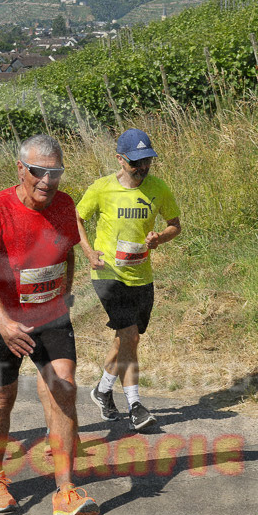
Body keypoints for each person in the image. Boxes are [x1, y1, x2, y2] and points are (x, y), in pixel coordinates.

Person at [0, 134, 99, 515]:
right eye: (39, 172)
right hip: (2, 320)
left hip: (51, 314)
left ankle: (65, 489)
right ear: (21, 170)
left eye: (55, 173)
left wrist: (68, 293)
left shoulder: (65, 205)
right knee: (1, 400)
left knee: (64, 385)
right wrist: (5, 322)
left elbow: (68, 252)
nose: (47, 181)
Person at [76, 128, 181, 431]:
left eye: (148, 161)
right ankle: (135, 405)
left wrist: (161, 237)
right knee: (130, 336)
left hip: (141, 274)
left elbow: (175, 224)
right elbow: (77, 217)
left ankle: (102, 390)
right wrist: (88, 251)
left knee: (126, 337)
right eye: (137, 162)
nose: (143, 168)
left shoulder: (159, 188)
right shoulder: (101, 188)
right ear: (120, 160)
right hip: (107, 273)